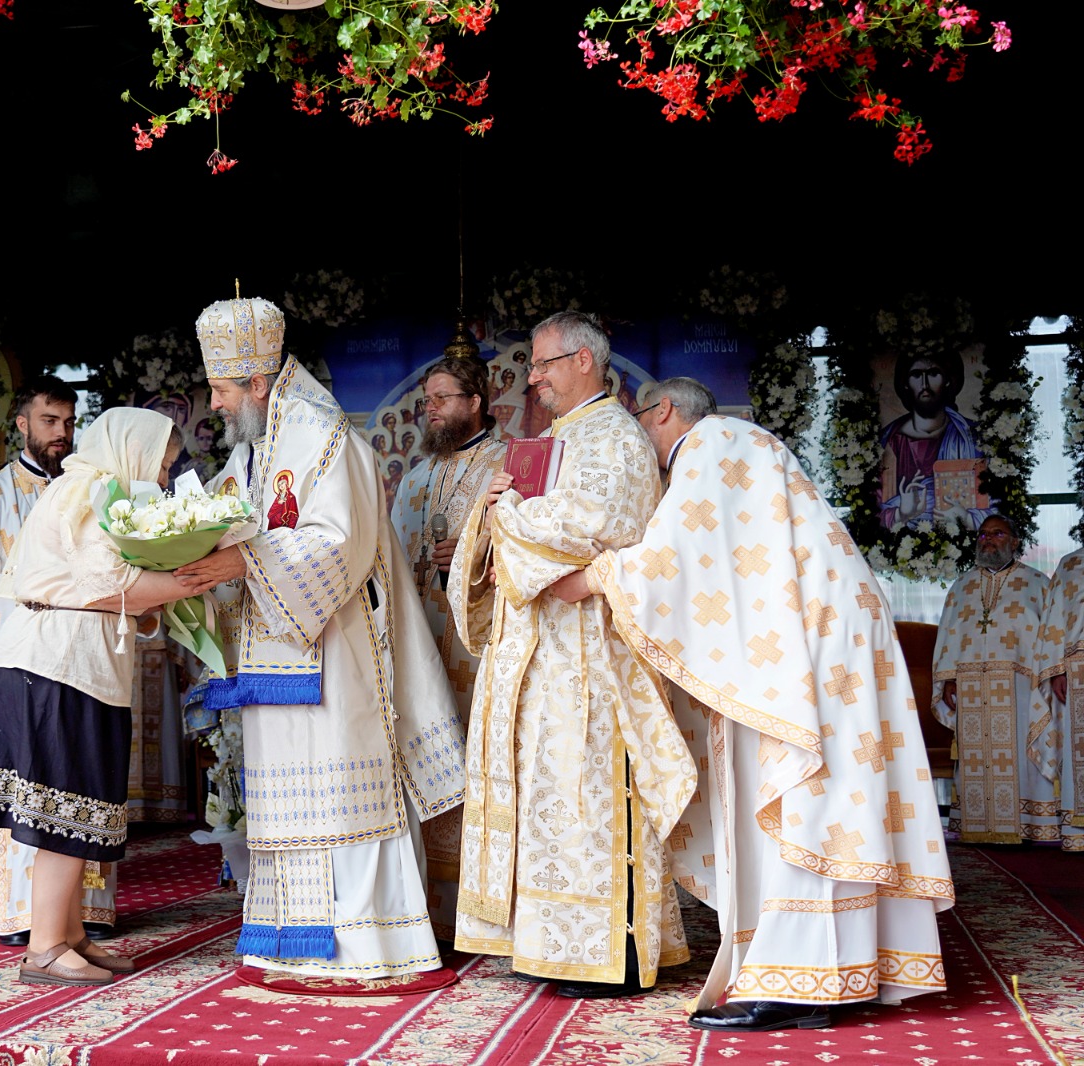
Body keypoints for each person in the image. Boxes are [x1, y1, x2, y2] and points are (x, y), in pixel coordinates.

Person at [558, 377, 953, 1031]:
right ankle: (841, 972)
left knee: (805, 804)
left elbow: (680, 557)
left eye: (636, 419)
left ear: (662, 412)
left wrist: (590, 578)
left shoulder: (712, 443)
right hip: (813, 642)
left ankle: (800, 983)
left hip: (805, 654)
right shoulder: (739, 444)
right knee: (831, 803)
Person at [172, 294, 466, 980]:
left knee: (338, 791)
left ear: (257, 382)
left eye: (220, 388)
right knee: (285, 797)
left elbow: (338, 546)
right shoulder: (258, 445)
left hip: (335, 654)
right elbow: (226, 517)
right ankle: (291, 940)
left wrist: (240, 559)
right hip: (277, 659)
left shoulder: (327, 439)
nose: (212, 405)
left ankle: (369, 945)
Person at [446, 310, 695, 996]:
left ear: (584, 360)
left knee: (591, 798)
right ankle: (551, 945)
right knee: (549, 801)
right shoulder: (554, 439)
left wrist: (506, 514)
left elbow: (596, 526)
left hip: (590, 654)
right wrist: (490, 509)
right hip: (539, 656)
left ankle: (609, 954)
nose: (532, 377)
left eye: (544, 363)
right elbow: (516, 532)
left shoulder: (613, 437)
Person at [0, 407, 198, 986]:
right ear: (132, 451)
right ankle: (44, 946)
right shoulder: (89, 491)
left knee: (83, 802)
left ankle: (69, 934)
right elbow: (108, 585)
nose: (166, 476)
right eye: (162, 463)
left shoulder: (98, 489)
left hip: (76, 666)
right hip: (51, 666)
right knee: (63, 803)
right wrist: (196, 579)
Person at [0, 377, 121, 946]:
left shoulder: (95, 489)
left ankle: (79, 920)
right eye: (50, 420)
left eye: (69, 422)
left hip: (85, 662)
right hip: (24, 665)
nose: (61, 433)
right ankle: (25, 918)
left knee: (81, 780)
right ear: (21, 422)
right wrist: (48, 596)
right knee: (29, 788)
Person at [387, 356, 507, 942]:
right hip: (421, 644)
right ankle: (430, 910)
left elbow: (531, 545)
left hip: (477, 646)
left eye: (441, 398)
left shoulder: (507, 466)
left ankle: (482, 912)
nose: (430, 409)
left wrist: (475, 550)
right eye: (426, 399)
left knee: (478, 762)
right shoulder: (415, 478)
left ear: (475, 402)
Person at [933, 514, 1057, 842]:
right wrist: (947, 680)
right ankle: (978, 826)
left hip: (1021, 686)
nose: (988, 540)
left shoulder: (1037, 583)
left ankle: (1027, 824)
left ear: (1015, 542)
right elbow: (949, 634)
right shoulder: (961, 586)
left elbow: (1049, 637)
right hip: (970, 686)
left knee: (1018, 754)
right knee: (976, 757)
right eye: (984, 535)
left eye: (998, 533)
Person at [878, 348, 988, 531]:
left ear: (947, 380)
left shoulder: (971, 437)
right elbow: (870, 513)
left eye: (933, 373)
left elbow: (994, 505)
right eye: (916, 375)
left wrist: (967, 518)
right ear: (905, 383)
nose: (924, 383)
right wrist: (901, 514)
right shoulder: (888, 441)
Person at [1040, 539, 1084, 852]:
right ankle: (1078, 831)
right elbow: (1054, 621)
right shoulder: (1070, 564)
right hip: (1078, 668)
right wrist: (1056, 669)